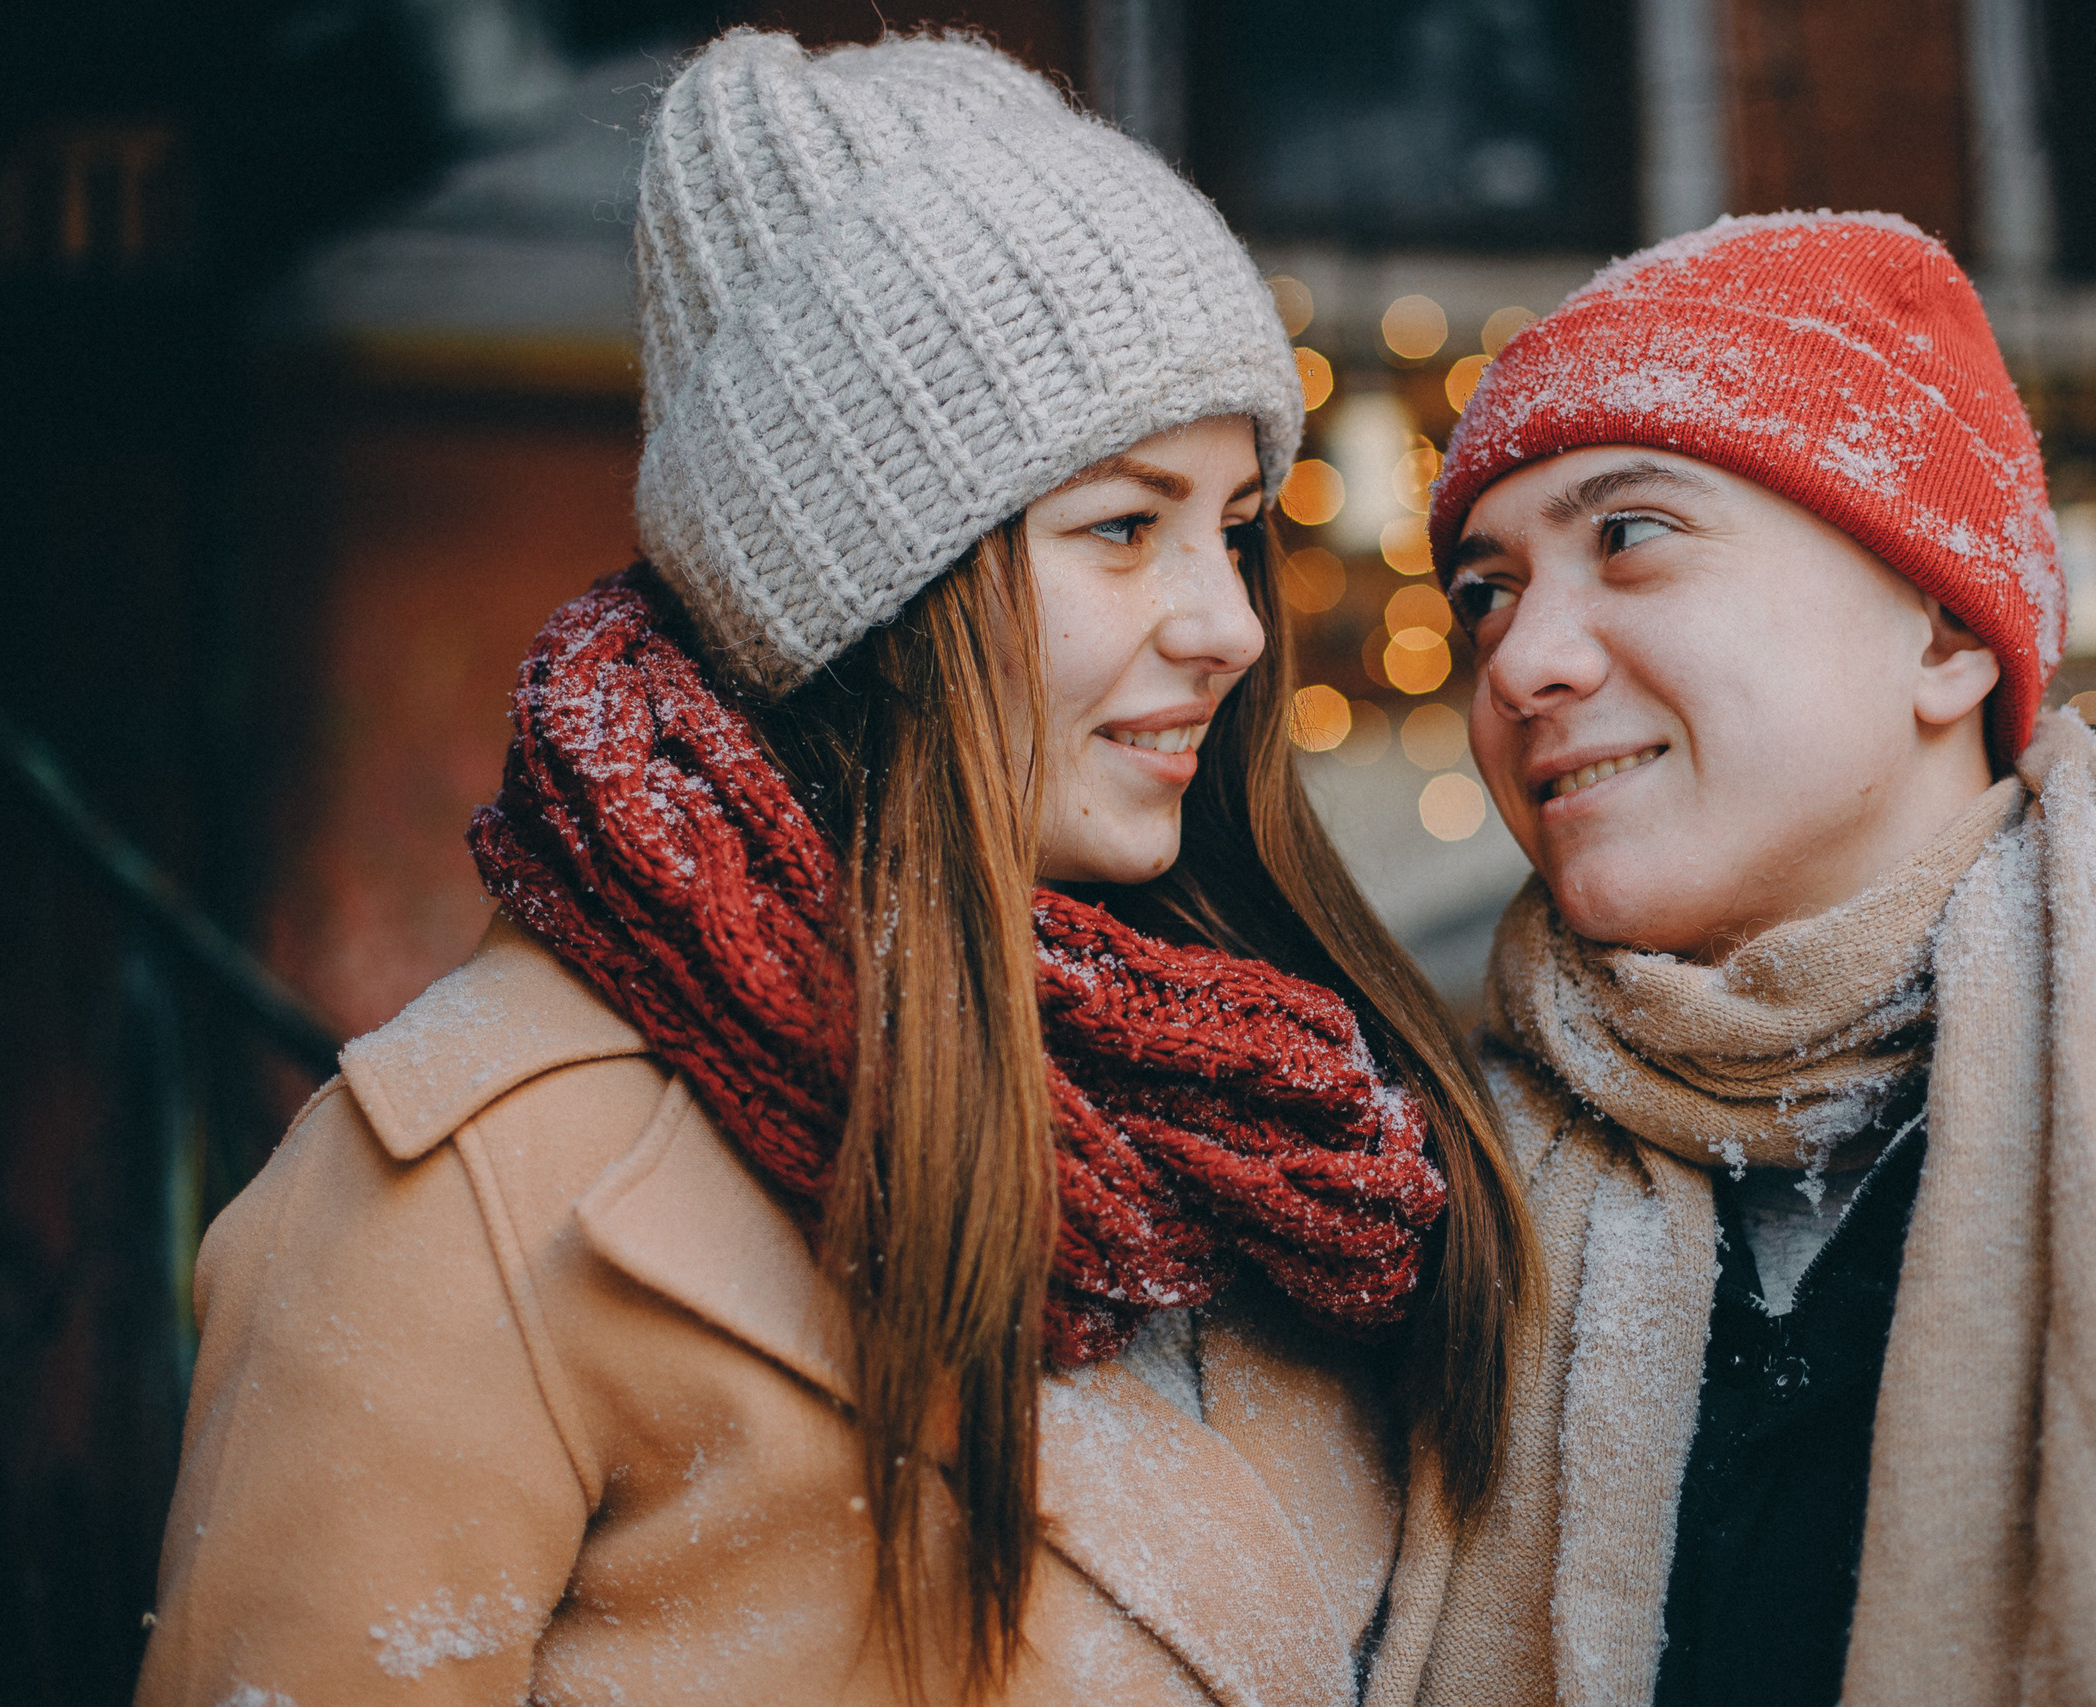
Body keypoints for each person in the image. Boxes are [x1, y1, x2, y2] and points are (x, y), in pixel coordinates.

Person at [137, 32, 1529, 1706]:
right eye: (1121, 526)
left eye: (1233, 526)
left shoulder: (1286, 1130)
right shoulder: (473, 1197)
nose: (1230, 626)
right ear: (872, 595)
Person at [1362, 213, 2096, 1707]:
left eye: (1629, 538)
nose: (1522, 659)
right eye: (1485, 591)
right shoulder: (1428, 1221)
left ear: (1941, 630)